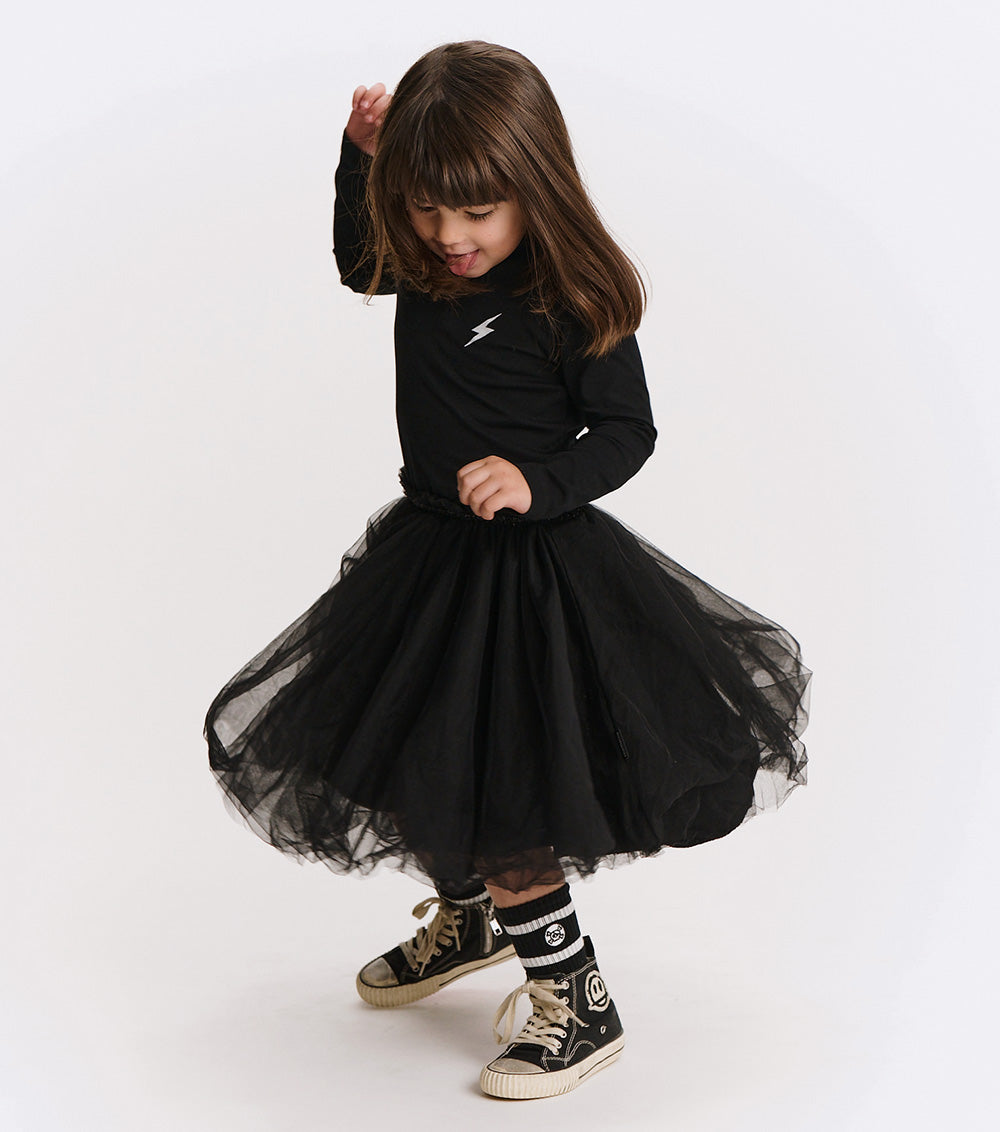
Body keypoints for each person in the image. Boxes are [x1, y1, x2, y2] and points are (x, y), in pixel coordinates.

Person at [204, 40, 811, 1101]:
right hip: (429, 557)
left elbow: (627, 431)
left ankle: (578, 1000)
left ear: (535, 185)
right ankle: (474, 920)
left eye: (478, 212)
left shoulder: (568, 293)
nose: (450, 236)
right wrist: (358, 162)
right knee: (420, 760)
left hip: (531, 582)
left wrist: (539, 480)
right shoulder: (422, 262)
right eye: (426, 208)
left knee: (510, 794)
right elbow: (357, 263)